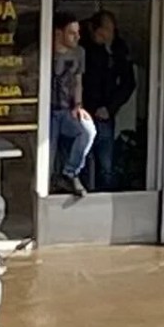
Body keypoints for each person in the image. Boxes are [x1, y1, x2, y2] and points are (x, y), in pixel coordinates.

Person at [82, 11, 136, 193]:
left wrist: (111, 107)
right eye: (104, 30)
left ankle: (105, 197)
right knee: (82, 162)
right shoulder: (84, 47)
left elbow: (128, 83)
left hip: (104, 113)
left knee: (106, 164)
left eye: (111, 31)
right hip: (82, 112)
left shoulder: (118, 49)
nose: (108, 35)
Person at [48, 12, 96, 197]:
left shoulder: (79, 52)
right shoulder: (44, 51)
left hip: (67, 109)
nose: (77, 37)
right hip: (48, 111)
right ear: (58, 33)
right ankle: (50, 184)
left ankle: (70, 173)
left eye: (78, 32)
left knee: (87, 131)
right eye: (72, 33)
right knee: (47, 155)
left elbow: (78, 80)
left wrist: (78, 105)